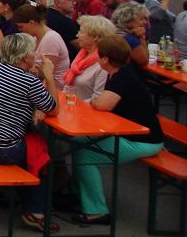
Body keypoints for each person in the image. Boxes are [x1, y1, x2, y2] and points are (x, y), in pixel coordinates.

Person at [0, 33, 59, 233]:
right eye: (33, 52)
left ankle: (23, 198)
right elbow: (53, 108)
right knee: (40, 152)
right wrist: (49, 76)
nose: (36, 55)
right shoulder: (28, 82)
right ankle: (36, 212)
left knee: (30, 146)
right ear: (24, 57)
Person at [69, 34, 164, 225]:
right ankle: (80, 195)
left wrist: (96, 101)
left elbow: (103, 104)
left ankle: (96, 211)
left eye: (99, 55)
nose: (96, 58)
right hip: (133, 133)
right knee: (75, 142)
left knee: (85, 156)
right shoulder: (120, 72)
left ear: (105, 59)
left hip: (144, 140)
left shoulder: (123, 76)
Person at [65, 16, 114, 102]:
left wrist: (73, 103)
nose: (77, 35)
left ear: (95, 37)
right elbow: (68, 88)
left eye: (81, 32)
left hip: (85, 112)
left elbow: (97, 98)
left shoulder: (103, 64)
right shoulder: (80, 57)